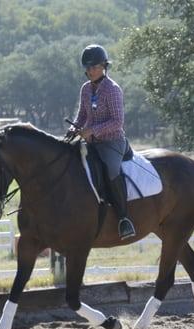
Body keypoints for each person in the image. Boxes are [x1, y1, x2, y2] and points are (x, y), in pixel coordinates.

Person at [70, 44, 136, 240]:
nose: (90, 71)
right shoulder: (85, 89)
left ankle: (124, 218)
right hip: (91, 142)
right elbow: (82, 114)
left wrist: (93, 130)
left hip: (111, 142)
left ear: (104, 66)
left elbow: (118, 122)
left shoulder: (113, 90)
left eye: (94, 67)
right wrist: (74, 127)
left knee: (110, 169)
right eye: (87, 67)